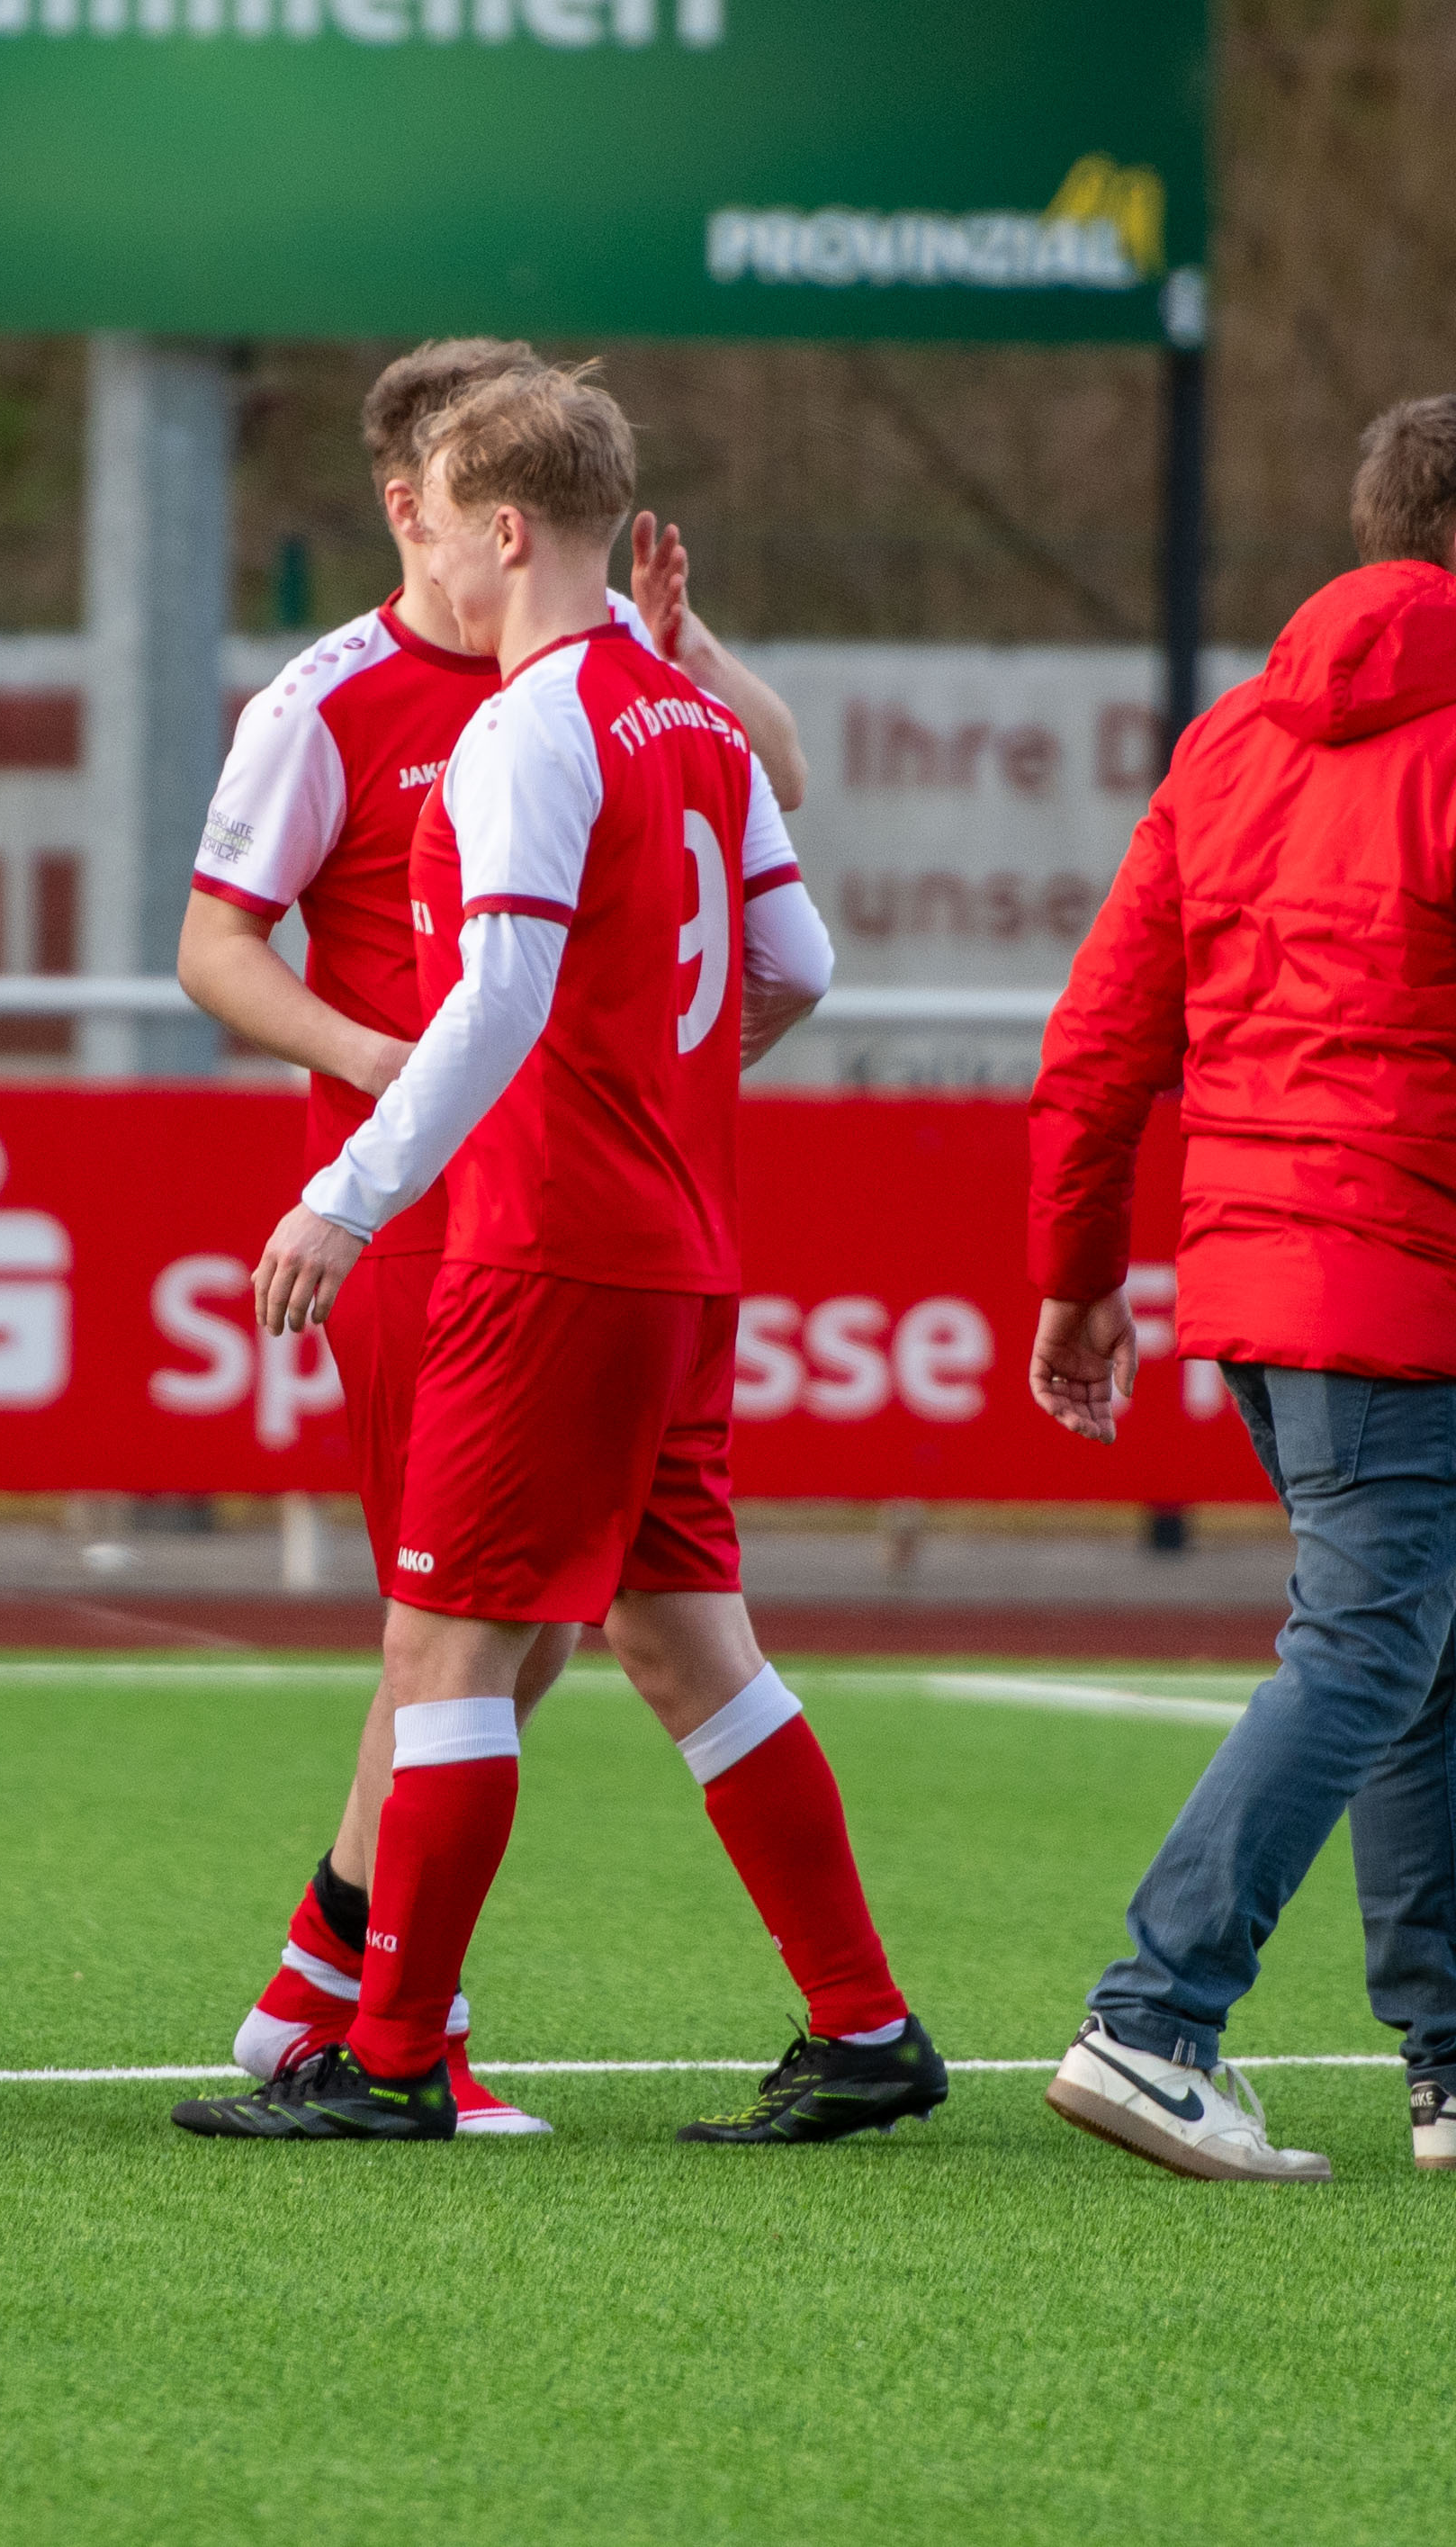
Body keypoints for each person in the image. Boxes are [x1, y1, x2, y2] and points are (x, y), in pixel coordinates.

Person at [175, 364, 940, 2142]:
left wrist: (346, 1192)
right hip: (680, 1247)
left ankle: (386, 2061)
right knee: (686, 1647)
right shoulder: (686, 717)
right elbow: (800, 966)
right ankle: (862, 2024)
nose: (425, 554)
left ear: (504, 530)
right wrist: (656, 1082)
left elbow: (497, 994)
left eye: (438, 522)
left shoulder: (526, 724)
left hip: (545, 1251)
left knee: (446, 1652)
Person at [1027, 394, 1456, 2182]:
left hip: (1262, 1294)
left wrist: (1075, 1272)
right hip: (1404, 1290)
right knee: (1362, 1654)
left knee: (1413, 1660)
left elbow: (1095, 1041)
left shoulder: (1226, 743)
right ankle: (1150, 2016)